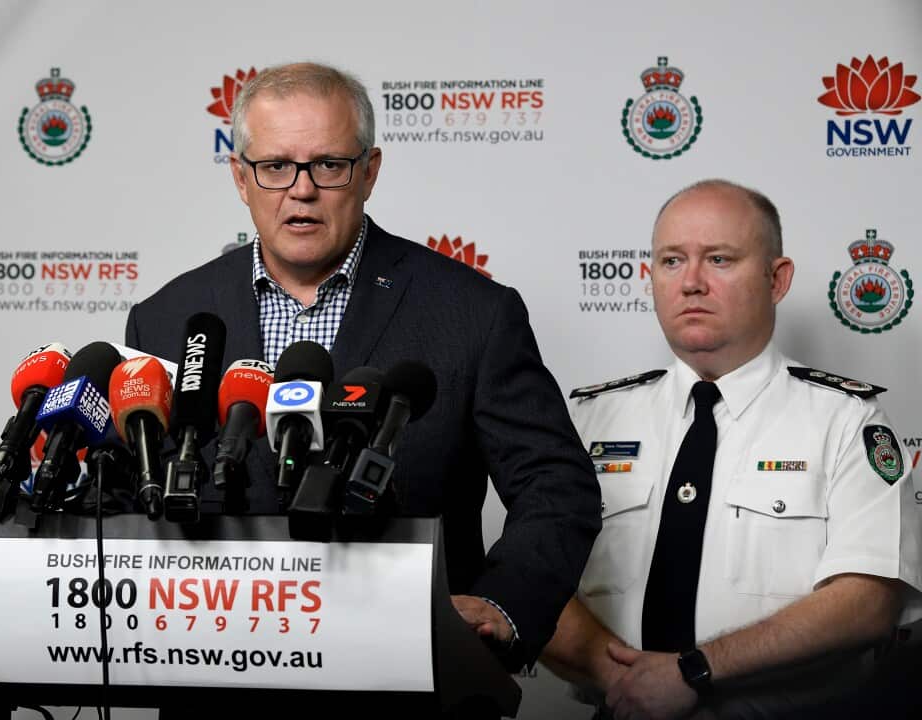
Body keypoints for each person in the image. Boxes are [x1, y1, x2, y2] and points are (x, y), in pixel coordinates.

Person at [124, 62, 600, 673]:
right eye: (275, 167)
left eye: (328, 165)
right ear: (241, 178)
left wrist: (504, 605)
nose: (301, 190)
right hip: (216, 676)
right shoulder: (166, 319)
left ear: (369, 173)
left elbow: (557, 486)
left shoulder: (474, 314)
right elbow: (138, 501)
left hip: (410, 676)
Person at [541, 179, 922, 718]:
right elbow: (534, 578)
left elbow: (867, 601)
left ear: (777, 279)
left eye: (719, 259)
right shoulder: (587, 419)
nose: (691, 282)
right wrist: (627, 683)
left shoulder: (847, 421)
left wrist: (694, 672)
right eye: (671, 261)